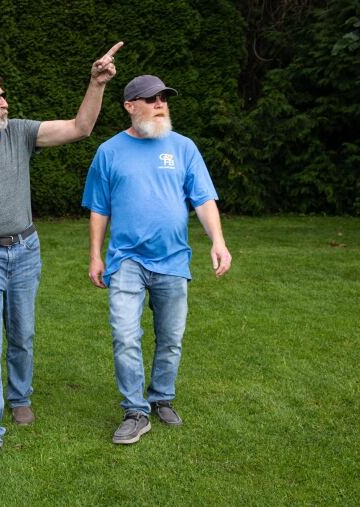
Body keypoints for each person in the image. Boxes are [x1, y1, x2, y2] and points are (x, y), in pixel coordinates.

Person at [0, 42, 123, 463]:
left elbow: (80, 127)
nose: (5, 103)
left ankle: (19, 395)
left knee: (21, 334)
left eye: (3, 97)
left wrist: (96, 83)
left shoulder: (19, 133)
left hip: (24, 252)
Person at [81, 74, 232, 445]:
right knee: (125, 335)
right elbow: (99, 209)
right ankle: (135, 410)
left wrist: (218, 241)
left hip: (173, 260)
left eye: (164, 98)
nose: (160, 104)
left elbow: (202, 199)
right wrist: (95, 256)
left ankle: (161, 396)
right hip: (126, 260)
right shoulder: (109, 152)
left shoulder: (183, 148)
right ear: (130, 106)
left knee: (171, 338)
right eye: (150, 99)